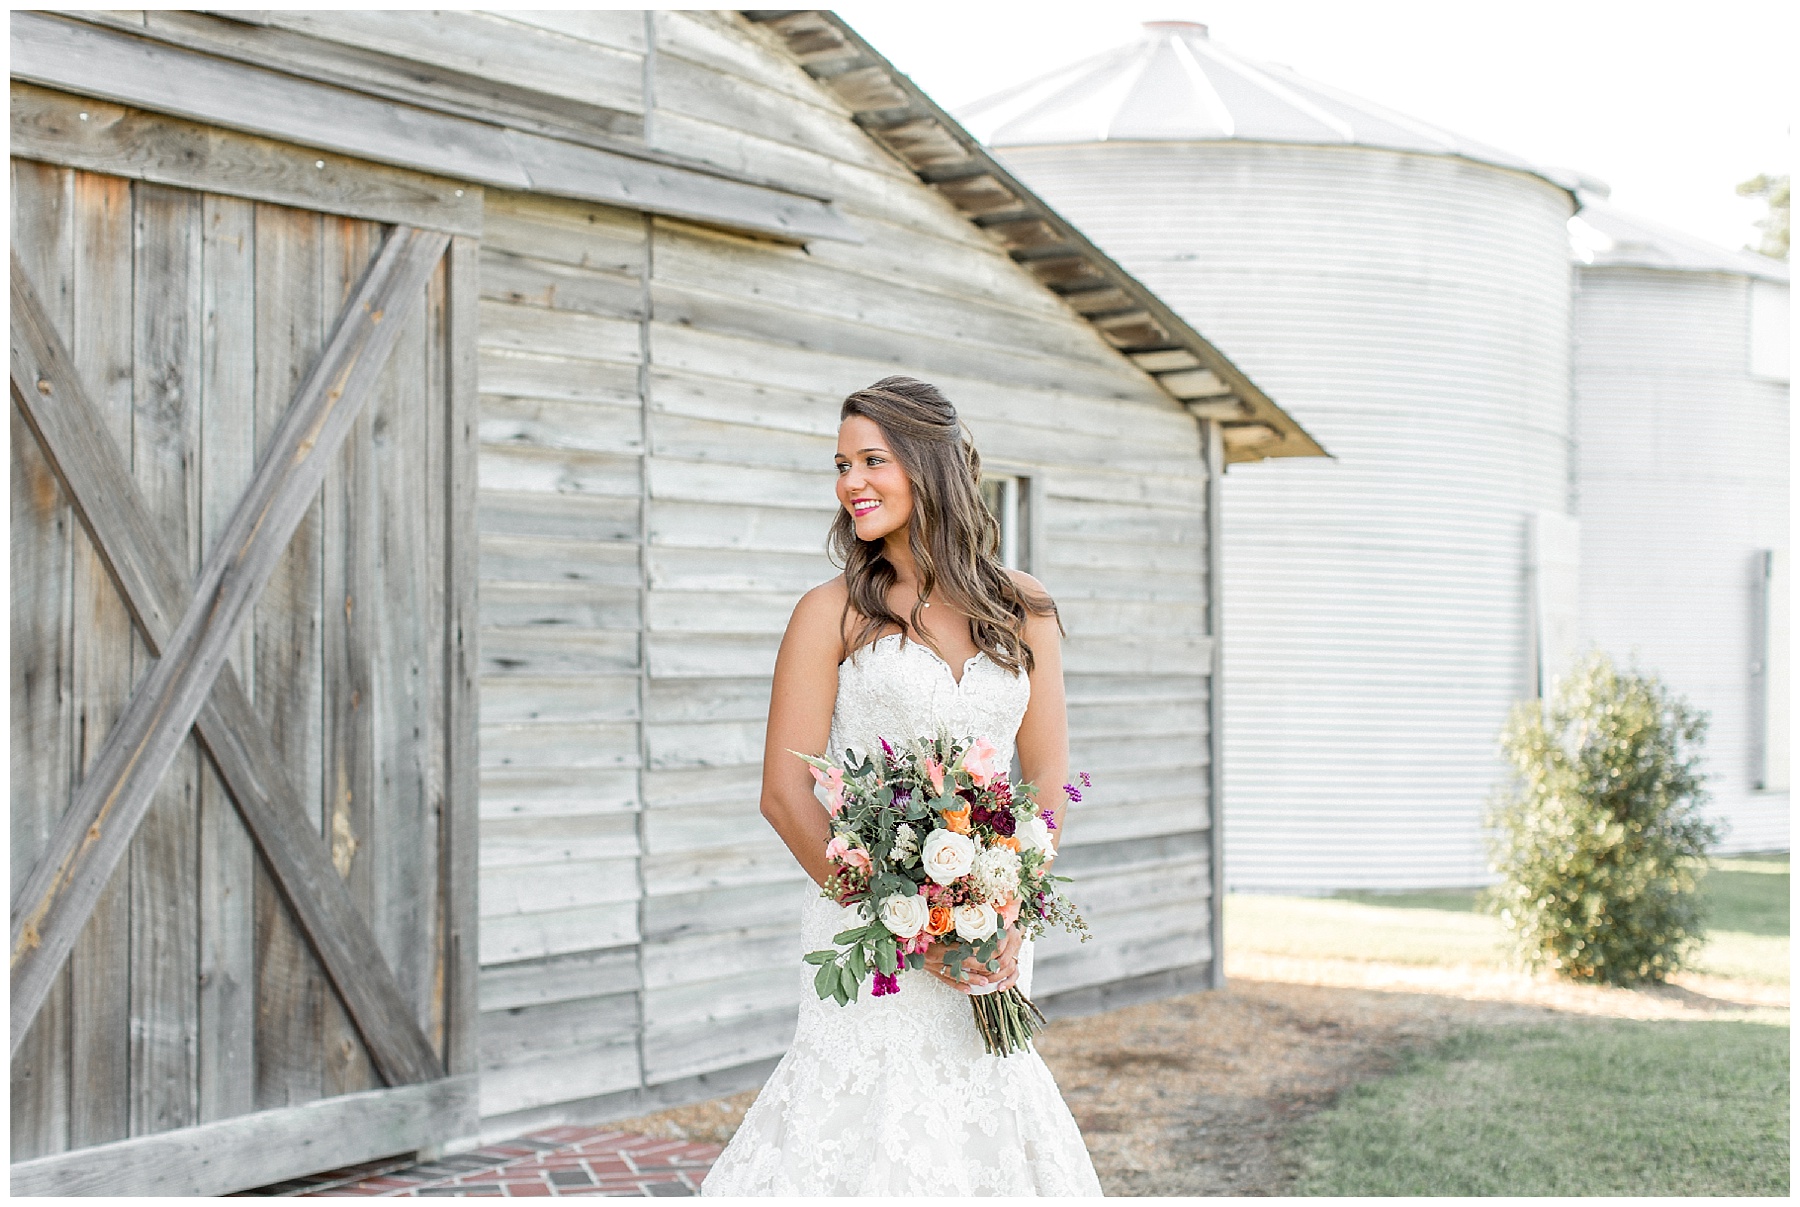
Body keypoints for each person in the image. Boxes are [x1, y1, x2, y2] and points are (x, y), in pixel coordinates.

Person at [701, 377, 1103, 1196]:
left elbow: (1046, 779)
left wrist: (1009, 906)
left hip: (989, 933)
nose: (851, 482)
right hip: (867, 931)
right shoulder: (831, 612)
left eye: (871, 460)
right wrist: (908, 923)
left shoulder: (1024, 607)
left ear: (929, 464)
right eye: (841, 465)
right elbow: (784, 791)